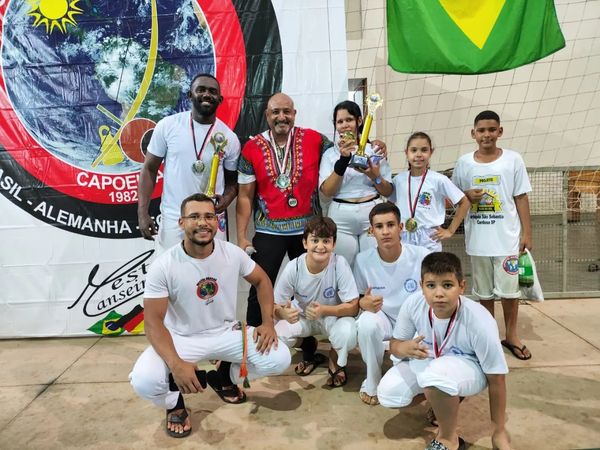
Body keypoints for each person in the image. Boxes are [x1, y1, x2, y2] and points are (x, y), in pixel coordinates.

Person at [129, 193, 291, 438]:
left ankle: (224, 375)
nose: (203, 222)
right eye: (194, 216)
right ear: (181, 223)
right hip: (182, 338)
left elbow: (262, 280)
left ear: (217, 222)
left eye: (209, 216)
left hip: (226, 333)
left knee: (280, 358)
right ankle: (174, 403)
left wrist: (267, 322)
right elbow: (152, 323)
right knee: (144, 381)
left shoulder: (232, 253)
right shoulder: (164, 265)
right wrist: (176, 364)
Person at [377, 252, 511, 450]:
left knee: (436, 377)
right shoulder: (413, 304)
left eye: (447, 285)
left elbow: (497, 378)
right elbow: (395, 345)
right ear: (421, 286)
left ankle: (449, 439)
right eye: (431, 285)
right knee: (389, 394)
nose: (439, 293)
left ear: (462, 287)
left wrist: (499, 431)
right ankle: (441, 401)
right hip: (429, 361)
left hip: (469, 367)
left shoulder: (480, 321)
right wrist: (403, 348)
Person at [236, 93, 334, 327]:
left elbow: (343, 153)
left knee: (308, 288)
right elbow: (245, 196)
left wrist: (370, 145)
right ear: (267, 115)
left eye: (286, 112)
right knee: (260, 284)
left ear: (294, 114)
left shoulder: (315, 140)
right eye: (276, 112)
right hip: (269, 231)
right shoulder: (251, 148)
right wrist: (241, 236)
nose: (282, 117)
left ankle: (308, 349)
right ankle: (253, 337)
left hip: (308, 232)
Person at [452, 110, 533, 360]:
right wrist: (467, 194)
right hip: (478, 242)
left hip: (506, 239)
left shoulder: (513, 160)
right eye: (482, 130)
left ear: (500, 131)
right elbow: (454, 196)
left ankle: (511, 335)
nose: (486, 134)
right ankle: (487, 336)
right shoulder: (465, 163)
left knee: (510, 293)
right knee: (484, 294)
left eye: (491, 129)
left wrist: (527, 232)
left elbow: (520, 197)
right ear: (473, 133)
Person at [138, 73, 241, 250]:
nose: (207, 94)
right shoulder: (167, 126)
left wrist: (227, 198)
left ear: (220, 99)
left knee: (210, 274)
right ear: (189, 95)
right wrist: (142, 212)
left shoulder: (229, 138)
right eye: (201, 90)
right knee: (171, 273)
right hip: (174, 218)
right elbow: (149, 169)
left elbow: (233, 181)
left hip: (210, 219)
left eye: (212, 91)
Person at [352, 202, 430, 405]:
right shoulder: (362, 260)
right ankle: (372, 379)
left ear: (401, 227)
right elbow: (359, 299)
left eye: (390, 225)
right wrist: (363, 303)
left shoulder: (421, 255)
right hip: (385, 318)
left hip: (415, 322)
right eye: (379, 227)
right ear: (371, 231)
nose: (385, 232)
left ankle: (423, 381)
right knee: (366, 323)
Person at [274, 216, 359, 387]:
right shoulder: (294, 267)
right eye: (315, 240)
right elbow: (275, 306)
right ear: (305, 243)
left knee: (349, 333)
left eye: (326, 241)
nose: (320, 246)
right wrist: (283, 313)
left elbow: (353, 307)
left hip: (331, 318)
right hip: (303, 317)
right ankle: (307, 345)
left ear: (333, 244)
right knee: (277, 335)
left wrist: (325, 310)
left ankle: (334, 362)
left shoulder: (339, 264)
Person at [319, 100, 393, 266]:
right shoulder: (330, 154)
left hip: (371, 213)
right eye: (340, 121)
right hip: (341, 215)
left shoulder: (374, 150)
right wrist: (343, 160)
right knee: (343, 266)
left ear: (359, 121)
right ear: (335, 125)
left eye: (349, 120)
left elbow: (388, 191)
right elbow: (327, 192)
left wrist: (375, 177)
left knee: (373, 263)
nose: (345, 125)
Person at [389, 132, 470, 253]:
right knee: (407, 271)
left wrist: (450, 230)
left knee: (430, 271)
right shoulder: (398, 180)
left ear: (431, 152)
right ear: (406, 153)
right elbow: (390, 205)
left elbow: (464, 202)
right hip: (403, 236)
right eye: (414, 150)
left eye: (424, 150)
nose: (418, 154)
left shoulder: (439, 179)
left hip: (430, 237)